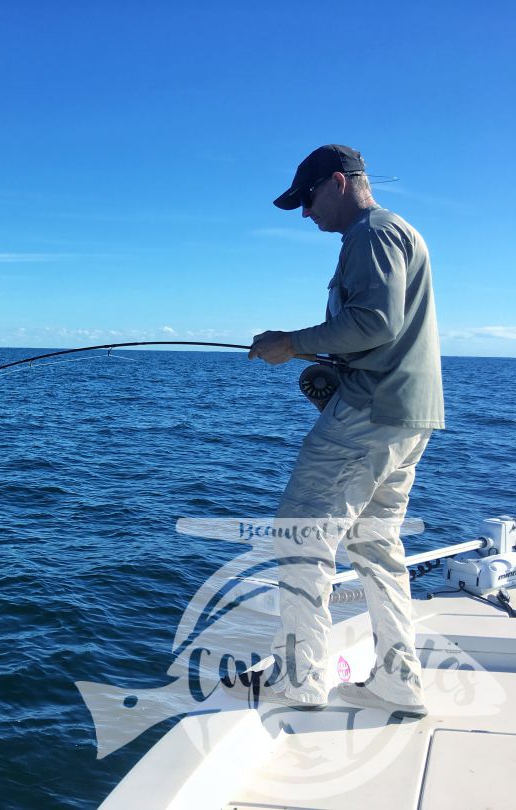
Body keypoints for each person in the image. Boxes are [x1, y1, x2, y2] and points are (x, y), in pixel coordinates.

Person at [247, 144, 445, 717]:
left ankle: (300, 679)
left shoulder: (371, 232)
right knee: (375, 546)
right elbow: (386, 332)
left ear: (338, 182)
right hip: (409, 414)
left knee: (300, 533)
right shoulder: (396, 232)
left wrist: (290, 344)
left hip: (369, 415)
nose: (306, 213)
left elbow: (374, 322)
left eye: (307, 200)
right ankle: (398, 681)